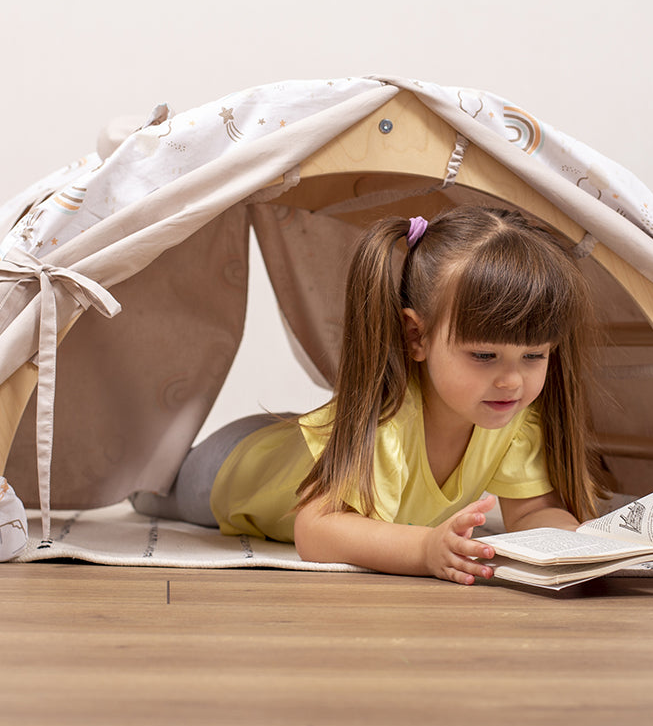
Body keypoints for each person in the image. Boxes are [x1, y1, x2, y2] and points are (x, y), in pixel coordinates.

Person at [132, 205, 604, 585]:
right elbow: (315, 530)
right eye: (484, 356)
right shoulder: (389, 425)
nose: (512, 382)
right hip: (232, 467)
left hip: (300, 443)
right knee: (151, 491)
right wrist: (423, 549)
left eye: (534, 356)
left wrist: (579, 539)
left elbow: (533, 511)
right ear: (415, 336)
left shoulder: (514, 418)